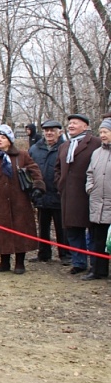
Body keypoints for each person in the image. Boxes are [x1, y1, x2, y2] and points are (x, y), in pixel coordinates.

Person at [0, 125, 44, 274]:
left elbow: (35, 170)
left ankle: (20, 263)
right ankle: (4, 262)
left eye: (3, 137)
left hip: (20, 201)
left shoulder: (22, 155)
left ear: (10, 140)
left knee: (21, 229)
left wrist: (38, 187)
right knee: (2, 232)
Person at [55, 113, 102, 274]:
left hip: (88, 194)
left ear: (86, 126)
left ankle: (95, 264)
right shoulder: (65, 145)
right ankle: (78, 262)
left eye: (75, 123)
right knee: (73, 230)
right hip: (68, 195)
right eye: (70, 123)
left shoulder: (95, 143)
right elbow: (58, 168)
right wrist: (60, 183)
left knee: (92, 231)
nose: (71, 126)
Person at [28, 119, 68, 264]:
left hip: (58, 194)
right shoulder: (35, 149)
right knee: (43, 226)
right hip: (41, 195)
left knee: (61, 227)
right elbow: (28, 169)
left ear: (60, 132)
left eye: (53, 130)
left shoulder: (65, 147)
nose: (49, 133)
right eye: (47, 130)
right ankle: (43, 253)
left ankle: (65, 254)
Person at [84, 117, 111, 280]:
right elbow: (90, 173)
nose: (102, 135)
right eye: (100, 132)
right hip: (97, 203)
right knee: (98, 239)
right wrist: (90, 187)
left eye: (106, 132)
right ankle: (98, 270)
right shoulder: (96, 153)